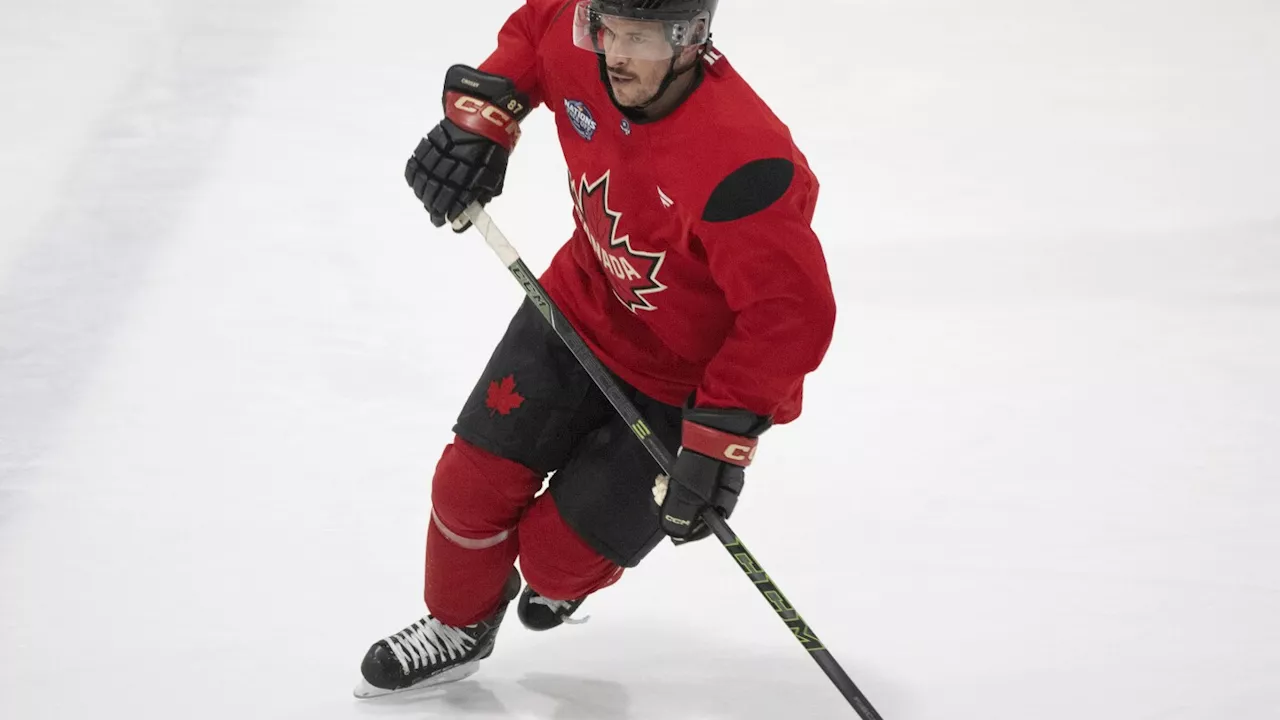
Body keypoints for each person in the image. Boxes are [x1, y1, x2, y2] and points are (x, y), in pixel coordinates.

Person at [355, 0, 837, 697]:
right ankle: (457, 627)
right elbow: (535, 30)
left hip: (686, 383)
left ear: (691, 39)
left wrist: (721, 437)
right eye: (605, 28)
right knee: (469, 485)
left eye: (638, 38)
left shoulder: (745, 161)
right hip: (580, 306)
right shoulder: (585, 42)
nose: (613, 53)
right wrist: (481, 119)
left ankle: (565, 579)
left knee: (555, 560)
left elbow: (789, 315)